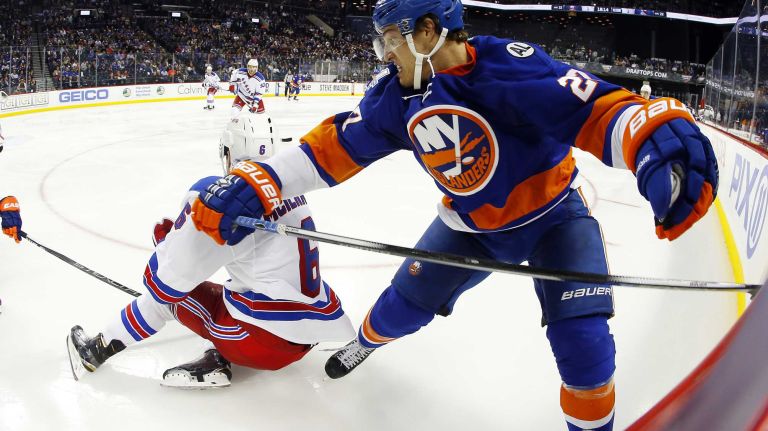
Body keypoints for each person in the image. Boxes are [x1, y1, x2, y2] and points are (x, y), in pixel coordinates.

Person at [189, 0, 718, 428]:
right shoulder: (396, 96)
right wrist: (263, 178)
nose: (383, 54)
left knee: (584, 346)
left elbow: (595, 108)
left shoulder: (508, 66)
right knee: (400, 307)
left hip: (555, 220)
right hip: (469, 230)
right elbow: (331, 148)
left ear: (426, 31)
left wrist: (648, 132)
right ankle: (364, 344)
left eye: (390, 41)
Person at [66, 116, 355, 388]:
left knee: (165, 302)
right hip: (309, 332)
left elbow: (165, 283)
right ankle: (218, 356)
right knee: (227, 289)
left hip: (263, 343)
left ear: (229, 151)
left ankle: (94, 352)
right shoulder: (290, 186)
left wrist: (168, 244)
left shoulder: (221, 198)